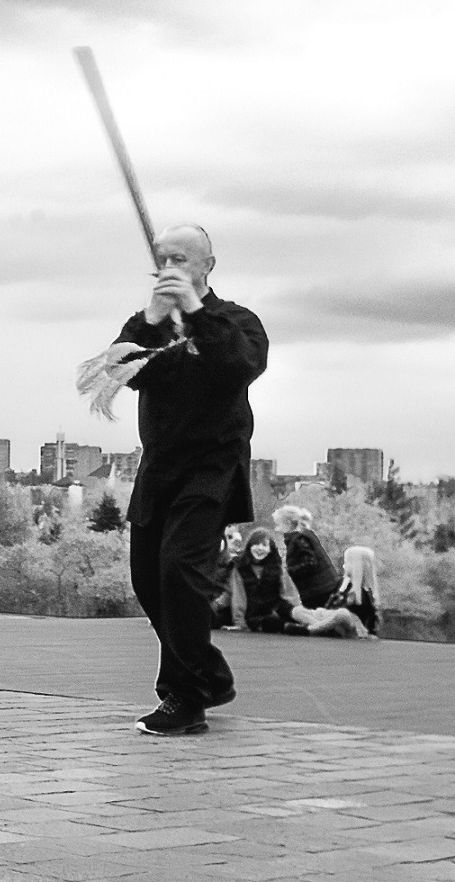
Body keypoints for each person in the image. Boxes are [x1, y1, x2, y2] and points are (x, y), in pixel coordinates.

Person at [113, 223, 268, 736]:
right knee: (148, 579)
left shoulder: (237, 321)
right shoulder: (147, 325)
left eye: (181, 259)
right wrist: (152, 320)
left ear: (208, 265)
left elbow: (238, 366)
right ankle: (209, 676)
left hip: (212, 468)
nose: (170, 268)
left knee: (180, 570)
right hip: (159, 468)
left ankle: (183, 698)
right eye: (163, 260)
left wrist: (196, 313)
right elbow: (118, 370)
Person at [227, 528, 302, 632]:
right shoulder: (240, 568)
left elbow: (290, 594)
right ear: (249, 547)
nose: (260, 548)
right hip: (254, 616)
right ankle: (294, 628)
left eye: (264, 545)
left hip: (277, 610)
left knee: (290, 611)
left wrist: (296, 612)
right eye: (256, 544)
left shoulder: (278, 568)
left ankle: (312, 624)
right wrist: (239, 623)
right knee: (270, 621)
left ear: (270, 549)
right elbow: (238, 597)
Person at [273, 505, 340, 611]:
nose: (277, 529)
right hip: (324, 587)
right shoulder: (303, 536)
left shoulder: (299, 539)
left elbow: (310, 562)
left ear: (287, 523)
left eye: (278, 524)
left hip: (319, 590)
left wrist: (290, 570)